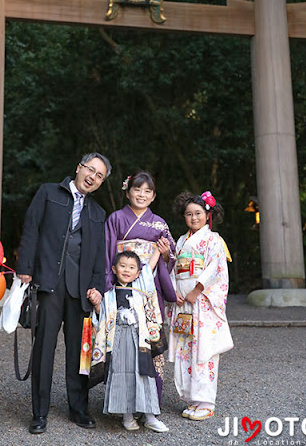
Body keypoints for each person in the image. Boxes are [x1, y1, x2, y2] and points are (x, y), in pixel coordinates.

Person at [16, 152, 111, 434]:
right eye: (90, 170)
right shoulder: (48, 193)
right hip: (48, 283)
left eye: (99, 176)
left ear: (101, 183)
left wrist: (97, 287)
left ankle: (79, 408)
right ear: (78, 167)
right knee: (44, 348)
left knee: (80, 353)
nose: (92, 177)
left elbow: (98, 256)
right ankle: (39, 413)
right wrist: (25, 268)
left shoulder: (97, 213)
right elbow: (31, 229)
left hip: (80, 291)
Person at [104, 171, 177, 404]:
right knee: (123, 344)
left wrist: (165, 254)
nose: (142, 195)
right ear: (128, 192)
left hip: (149, 289)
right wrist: (107, 285)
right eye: (137, 189)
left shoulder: (159, 223)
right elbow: (107, 254)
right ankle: (124, 403)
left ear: (154, 196)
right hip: (121, 286)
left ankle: (152, 402)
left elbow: (171, 256)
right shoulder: (116, 218)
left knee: (151, 343)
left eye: (147, 191)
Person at [167, 190, 233, 421]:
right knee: (186, 350)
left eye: (198, 213)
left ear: (208, 214)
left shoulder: (213, 240)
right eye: (188, 214)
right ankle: (192, 399)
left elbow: (216, 268)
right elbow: (175, 269)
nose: (193, 218)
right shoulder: (181, 240)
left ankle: (206, 401)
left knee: (202, 350)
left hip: (202, 302)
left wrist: (196, 291)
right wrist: (174, 291)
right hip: (183, 304)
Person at [90, 249, 168, 432]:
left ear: (138, 273)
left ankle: (150, 416)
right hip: (118, 339)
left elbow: (149, 269)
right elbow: (102, 316)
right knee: (121, 374)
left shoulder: (141, 289)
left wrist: (157, 251)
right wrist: (96, 304)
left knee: (145, 375)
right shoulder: (109, 293)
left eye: (132, 267)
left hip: (139, 338)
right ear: (114, 269)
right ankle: (127, 415)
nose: (127, 270)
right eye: (123, 266)